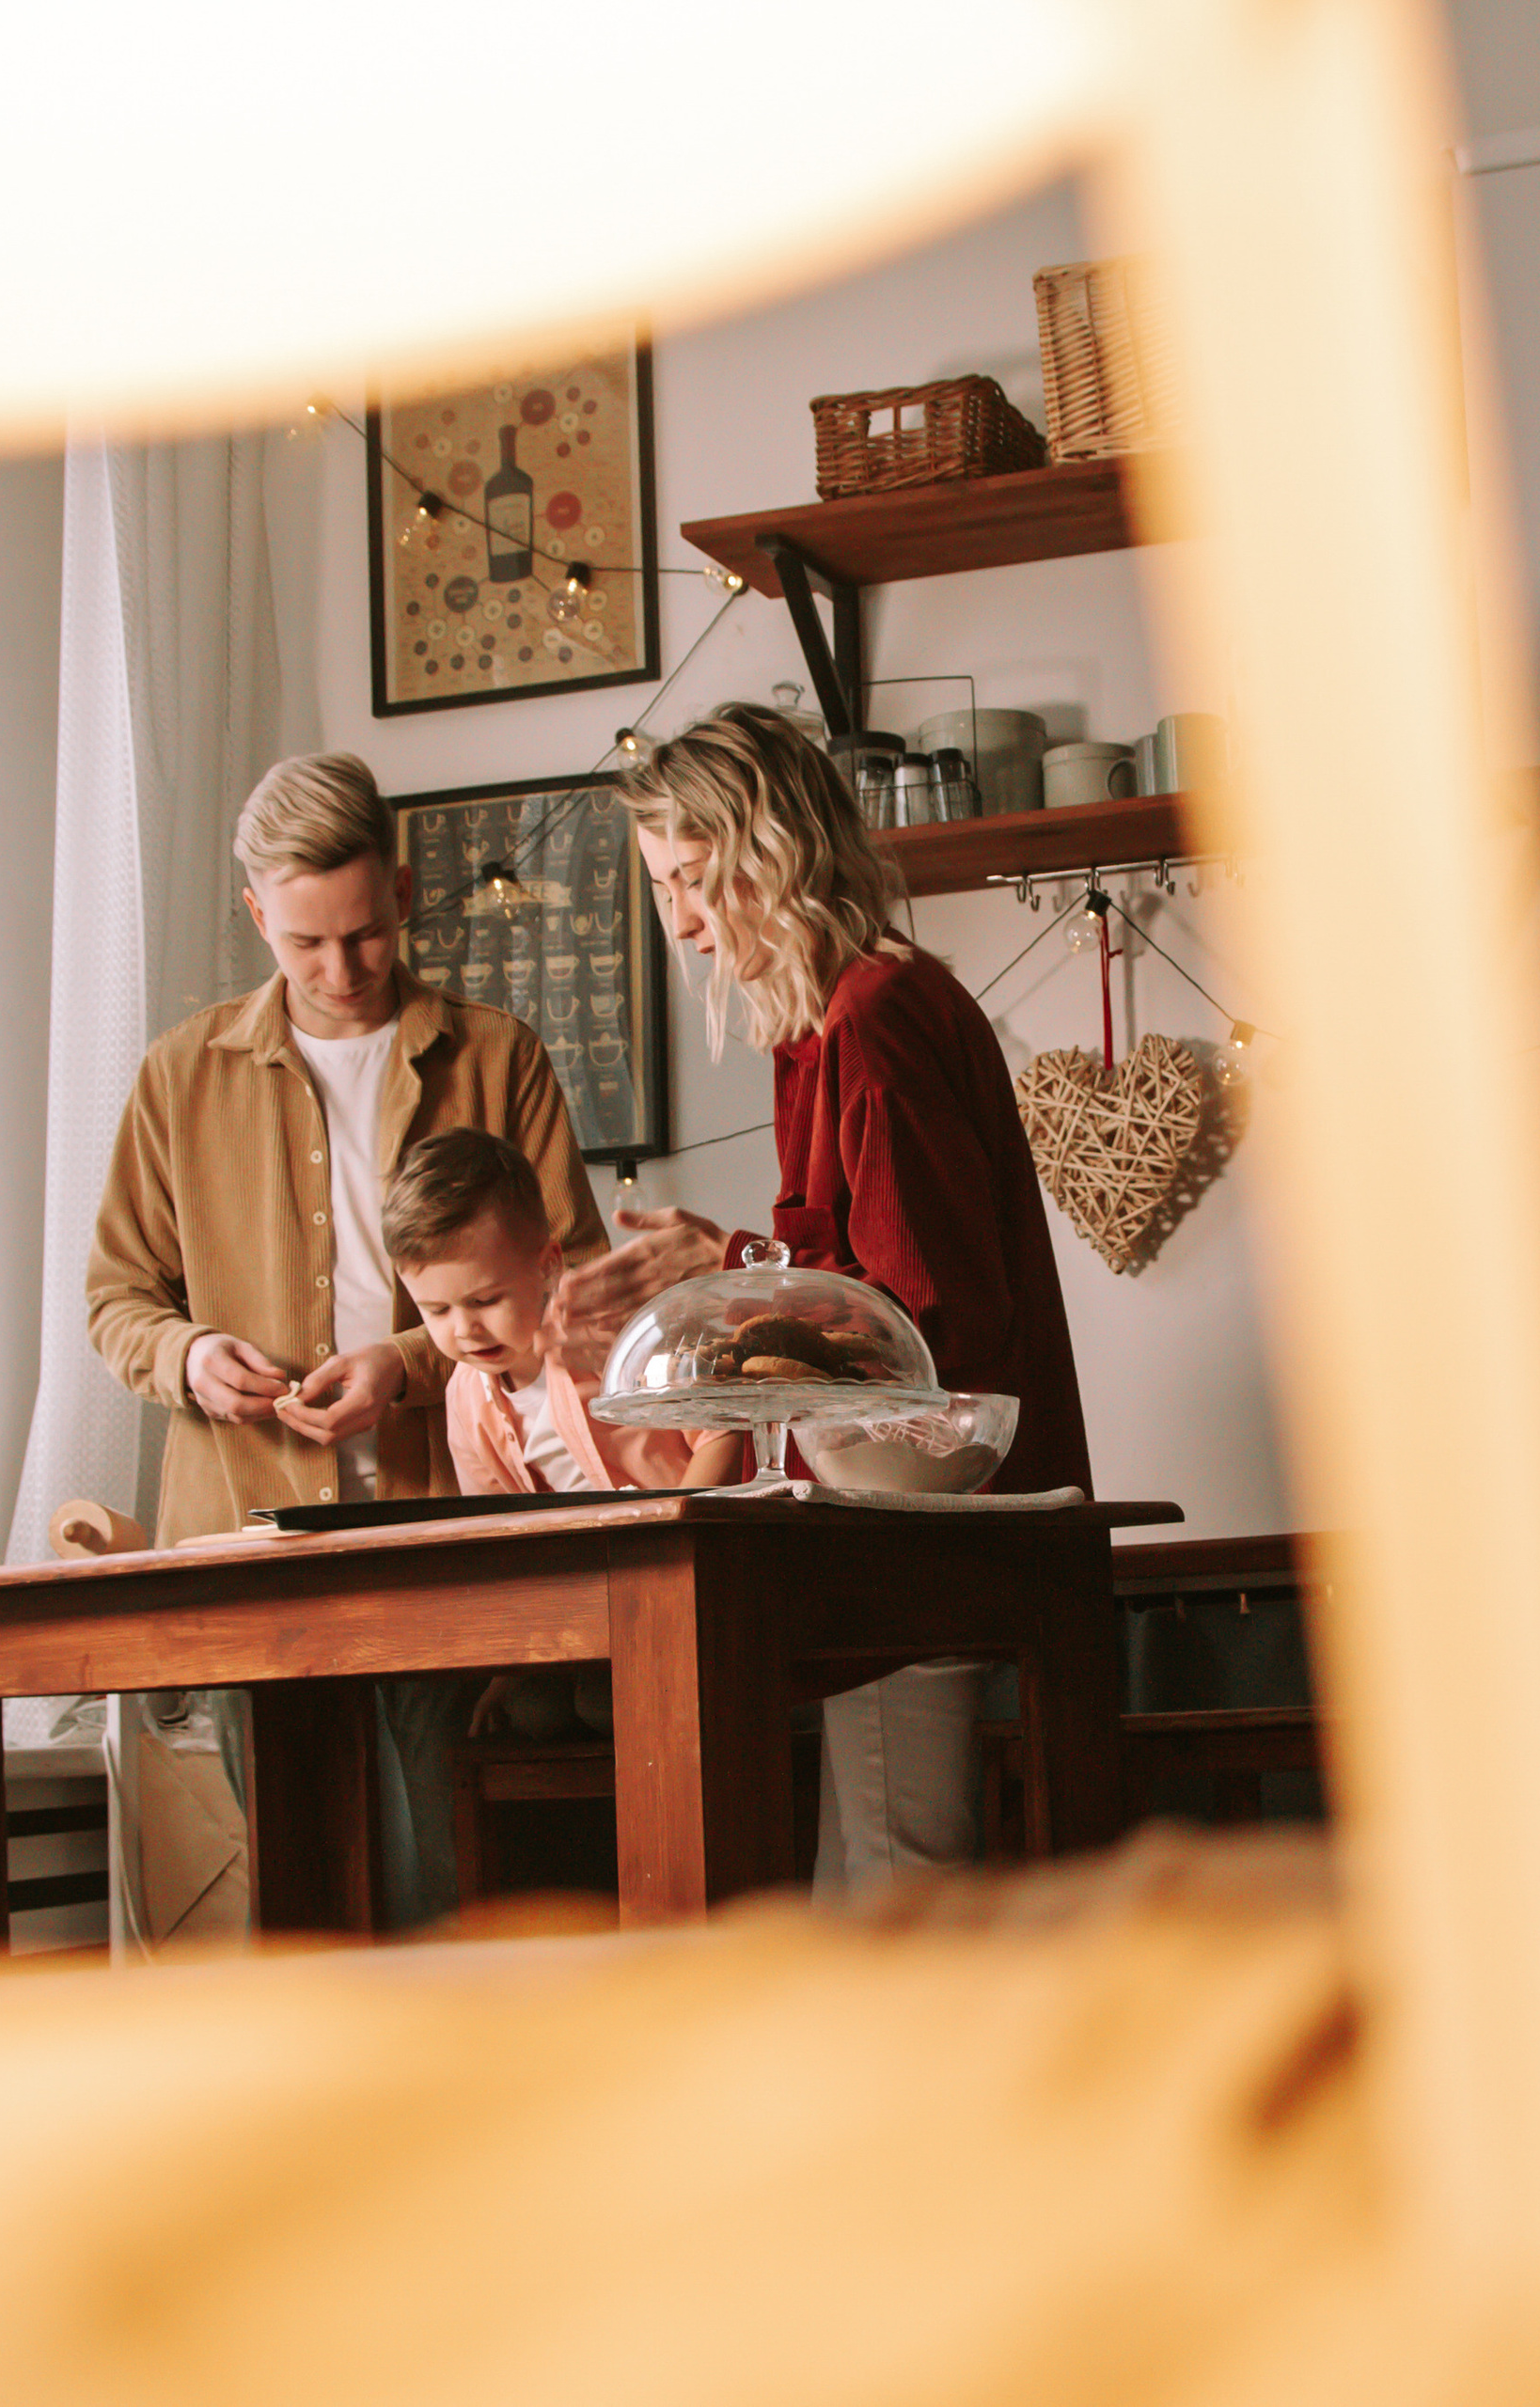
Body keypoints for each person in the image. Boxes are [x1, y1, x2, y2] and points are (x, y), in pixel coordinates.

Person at [556, 701, 1092, 1896]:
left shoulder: (878, 1014)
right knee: (855, 1890)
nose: (683, 924)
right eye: (663, 887)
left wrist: (727, 1266)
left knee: (901, 1889)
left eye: (695, 879)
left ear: (772, 853)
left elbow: (929, 1323)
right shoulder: (830, 1023)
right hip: (890, 1521)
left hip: (923, 1525)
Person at [86, 751, 606, 1927]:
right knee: (290, 1879)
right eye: (305, 942)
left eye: (365, 934)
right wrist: (190, 1357)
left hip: (445, 1524)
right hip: (240, 1530)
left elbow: (569, 1288)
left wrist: (406, 1365)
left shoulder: (499, 1055)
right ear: (254, 913)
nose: (340, 969)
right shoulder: (178, 1077)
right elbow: (118, 1297)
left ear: (408, 893)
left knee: (435, 1869)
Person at [384, 1126, 740, 1761]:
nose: (464, 1329)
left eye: (485, 1299)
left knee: (609, 1702)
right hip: (588, 1612)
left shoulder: (619, 1338)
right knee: (530, 1710)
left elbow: (719, 1431)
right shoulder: (467, 1395)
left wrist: (683, 1542)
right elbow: (501, 1538)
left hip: (686, 1582)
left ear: (548, 1264)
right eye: (435, 1311)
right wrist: (511, 1666)